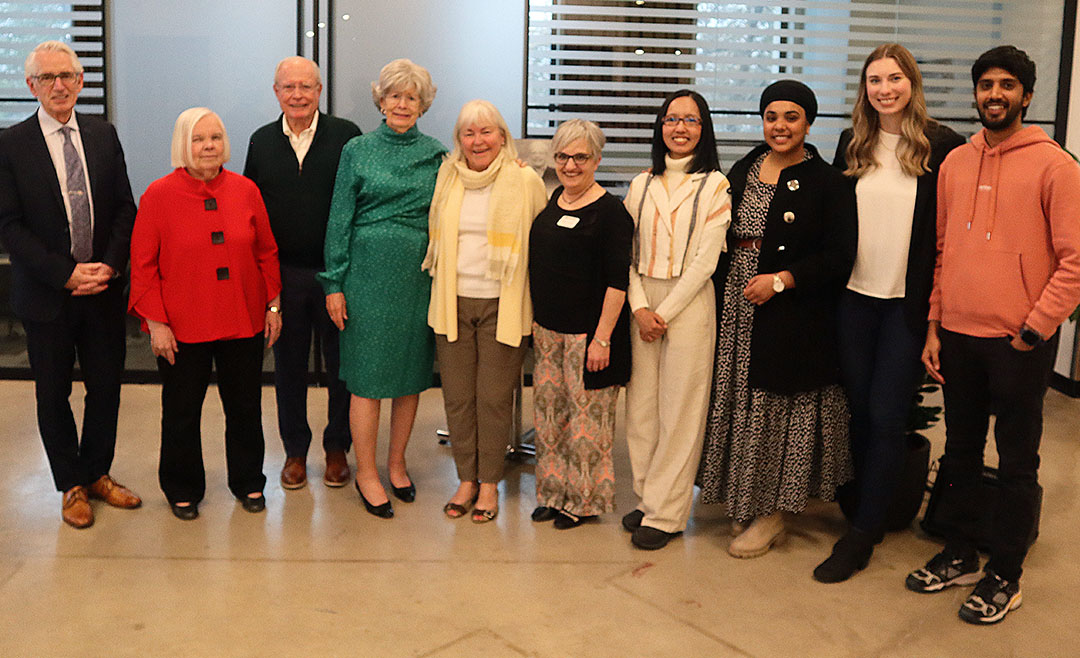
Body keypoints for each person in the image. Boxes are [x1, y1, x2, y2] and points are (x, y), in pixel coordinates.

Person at [906, 46, 1080, 625]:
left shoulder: (1057, 167)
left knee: (1015, 462)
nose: (995, 94)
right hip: (956, 333)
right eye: (986, 84)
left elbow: (1075, 261)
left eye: (1007, 85)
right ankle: (958, 550)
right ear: (976, 92)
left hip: (1017, 343)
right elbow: (943, 252)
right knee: (959, 452)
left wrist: (1035, 328)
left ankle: (1006, 570)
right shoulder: (955, 163)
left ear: (1027, 96)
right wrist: (933, 323)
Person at [812, 44, 966, 583]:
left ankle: (861, 537)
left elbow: (950, 240)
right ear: (865, 89)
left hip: (906, 306)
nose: (885, 89)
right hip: (853, 300)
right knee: (856, 410)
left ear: (911, 83)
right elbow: (832, 226)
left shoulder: (942, 148)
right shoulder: (853, 143)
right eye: (875, 80)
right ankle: (863, 510)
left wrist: (935, 320)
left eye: (894, 78)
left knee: (886, 416)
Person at [697, 80, 857, 558]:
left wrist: (782, 280)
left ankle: (772, 514)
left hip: (791, 312)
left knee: (777, 411)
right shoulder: (746, 166)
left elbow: (839, 255)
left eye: (791, 116)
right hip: (737, 303)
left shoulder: (828, 182)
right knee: (741, 400)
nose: (780, 126)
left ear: (808, 122)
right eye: (772, 116)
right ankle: (746, 498)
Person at [0, 40, 140, 529]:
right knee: (52, 393)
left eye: (67, 76)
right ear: (30, 86)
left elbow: (125, 207)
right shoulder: (10, 144)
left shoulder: (104, 135)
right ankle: (71, 484)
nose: (58, 86)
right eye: (46, 78)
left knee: (106, 389)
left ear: (81, 81)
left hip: (103, 291)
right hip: (47, 296)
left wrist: (111, 265)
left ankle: (98, 472)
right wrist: (64, 273)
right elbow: (9, 224)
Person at [129, 107, 282, 520]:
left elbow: (266, 252)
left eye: (215, 137)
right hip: (181, 326)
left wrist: (272, 304)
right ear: (183, 145)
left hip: (242, 319)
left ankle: (249, 481)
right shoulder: (158, 195)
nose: (209, 146)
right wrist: (156, 322)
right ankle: (182, 487)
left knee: (245, 407)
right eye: (198, 139)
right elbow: (142, 267)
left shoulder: (246, 190)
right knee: (181, 411)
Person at [319, 59, 445, 519]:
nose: (402, 104)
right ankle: (366, 472)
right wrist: (334, 283)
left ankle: (396, 464)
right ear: (381, 99)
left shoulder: (437, 154)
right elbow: (339, 219)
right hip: (366, 278)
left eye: (411, 97)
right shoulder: (357, 149)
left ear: (423, 104)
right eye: (394, 95)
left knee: (410, 378)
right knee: (368, 381)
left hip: (417, 279)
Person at [423, 100, 547, 523]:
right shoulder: (448, 176)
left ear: (502, 134)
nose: (478, 141)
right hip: (452, 301)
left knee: (493, 399)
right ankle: (466, 479)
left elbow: (542, 244)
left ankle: (490, 482)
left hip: (503, 304)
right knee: (458, 399)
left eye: (486, 132)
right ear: (459, 140)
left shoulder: (524, 179)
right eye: (468, 133)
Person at [244, 56, 361, 491]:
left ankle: (336, 448)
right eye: (288, 87)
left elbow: (360, 200)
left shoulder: (346, 137)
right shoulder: (261, 141)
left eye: (305, 87)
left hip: (337, 274)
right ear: (276, 92)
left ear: (319, 91)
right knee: (288, 367)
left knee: (341, 367)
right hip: (284, 275)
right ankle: (295, 451)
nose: (297, 95)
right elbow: (250, 212)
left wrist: (346, 273)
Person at [622, 90, 731, 550]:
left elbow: (706, 262)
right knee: (642, 409)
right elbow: (623, 254)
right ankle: (649, 498)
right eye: (671, 119)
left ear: (703, 129)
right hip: (642, 297)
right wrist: (640, 307)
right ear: (660, 126)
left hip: (688, 305)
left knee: (681, 411)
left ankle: (668, 514)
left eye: (690, 120)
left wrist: (660, 313)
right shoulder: (639, 184)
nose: (679, 128)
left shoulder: (716, 186)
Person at [528, 119, 633, 530]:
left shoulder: (611, 212)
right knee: (551, 418)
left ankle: (583, 501)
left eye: (580, 157)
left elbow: (616, 282)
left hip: (589, 336)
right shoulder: (554, 200)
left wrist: (602, 338)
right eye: (563, 157)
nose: (570, 166)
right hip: (549, 330)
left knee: (587, 426)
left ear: (597, 160)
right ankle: (554, 494)